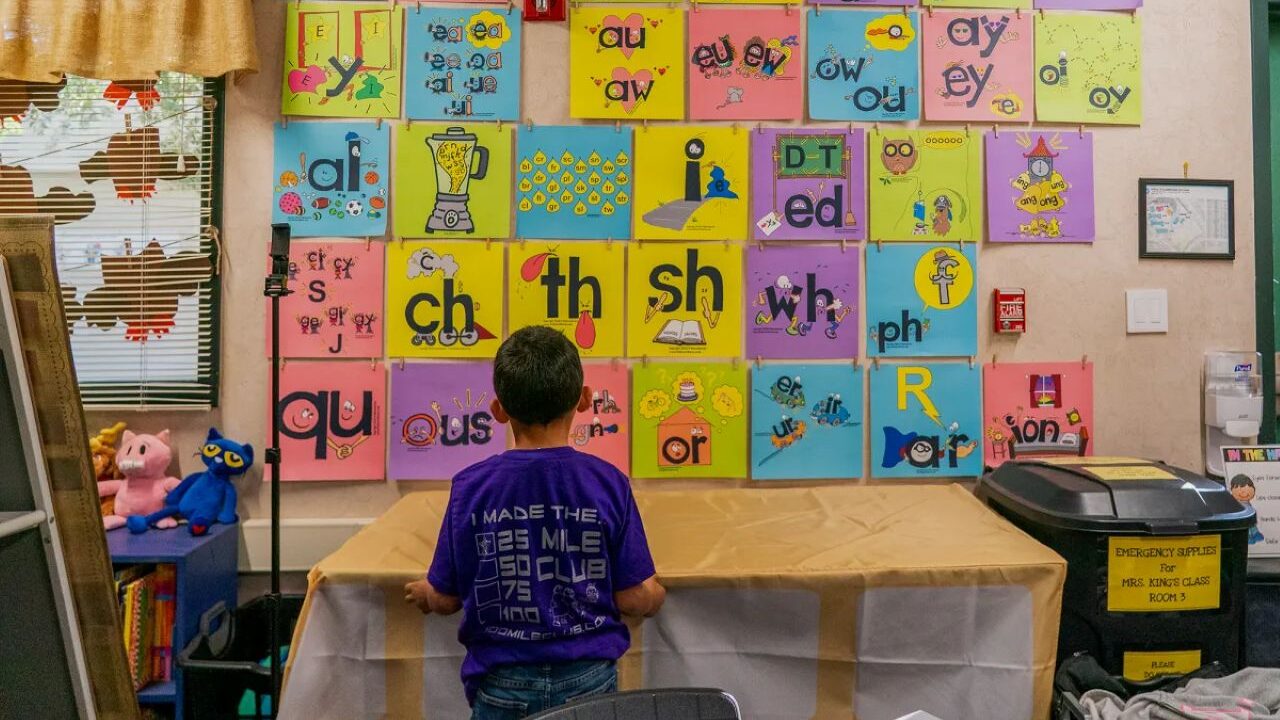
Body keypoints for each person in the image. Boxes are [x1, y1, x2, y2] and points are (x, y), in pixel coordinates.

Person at [405, 326, 665, 719]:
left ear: (498, 410)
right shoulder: (608, 483)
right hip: (589, 682)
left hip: (501, 683)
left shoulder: (470, 487)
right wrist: (656, 596)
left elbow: (444, 599)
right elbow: (633, 598)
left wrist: (426, 593)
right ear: (584, 399)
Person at [1229, 474, 1266, 545]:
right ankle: (1248, 536)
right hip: (1242, 520)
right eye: (1239, 489)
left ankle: (1255, 533)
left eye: (1248, 488)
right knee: (1245, 526)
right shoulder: (1236, 503)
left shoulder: (1247, 502)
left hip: (1250, 518)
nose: (1244, 493)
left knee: (1252, 524)